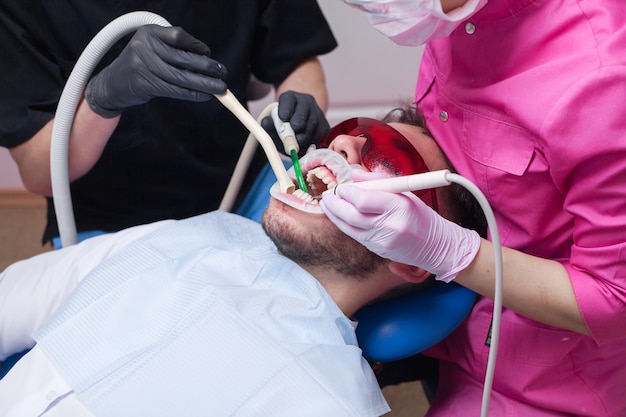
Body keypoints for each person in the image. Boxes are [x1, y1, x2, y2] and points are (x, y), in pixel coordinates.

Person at [0, 106, 486, 416]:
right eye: (355, 132)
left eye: (387, 160)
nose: (340, 145)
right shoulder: (183, 236)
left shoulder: (328, 401)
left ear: (413, 255)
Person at [321, 0, 626, 415]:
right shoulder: (458, 14)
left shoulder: (604, 76)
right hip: (446, 318)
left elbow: (614, 301)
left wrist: (449, 251)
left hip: (543, 372)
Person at [0, 0, 336, 246]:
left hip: (247, 187)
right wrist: (100, 101)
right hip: (111, 223)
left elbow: (295, 56)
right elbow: (40, 173)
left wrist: (299, 115)